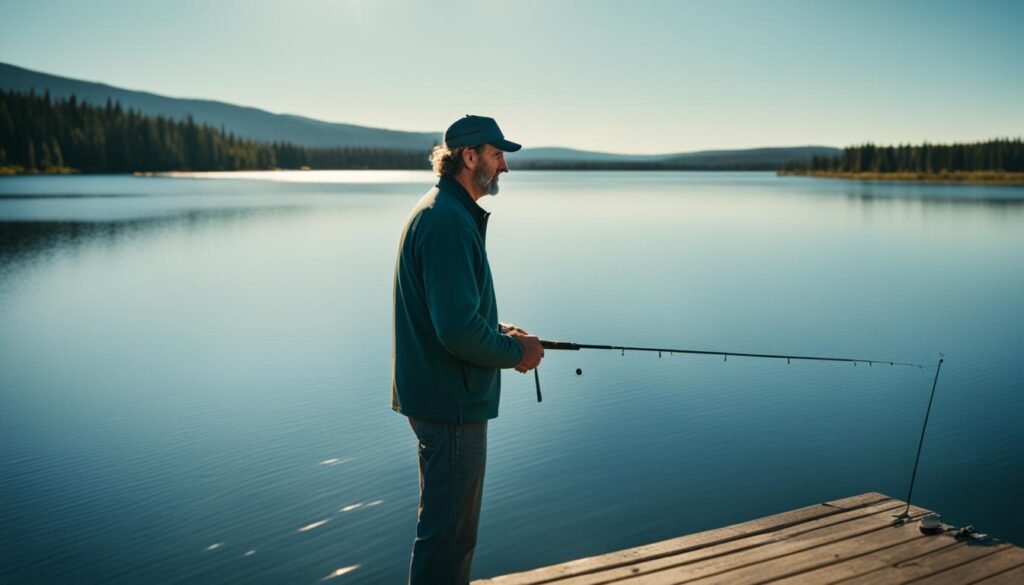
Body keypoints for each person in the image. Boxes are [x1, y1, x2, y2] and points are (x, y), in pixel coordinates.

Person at [392, 115, 544, 584]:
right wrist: (516, 353)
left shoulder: (443, 211)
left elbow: (452, 312)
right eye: (497, 156)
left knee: (444, 531)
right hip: (451, 404)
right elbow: (456, 331)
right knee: (449, 536)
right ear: (468, 156)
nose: (504, 168)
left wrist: (500, 332)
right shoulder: (448, 224)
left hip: (441, 396)